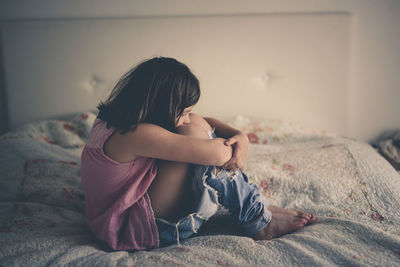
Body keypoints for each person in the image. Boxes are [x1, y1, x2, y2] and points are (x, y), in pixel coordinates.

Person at [80, 56, 316, 251]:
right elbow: (219, 155)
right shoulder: (135, 135)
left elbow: (200, 121)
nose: (186, 118)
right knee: (198, 142)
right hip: (141, 232)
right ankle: (258, 220)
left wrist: (239, 135)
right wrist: (232, 146)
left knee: (195, 127)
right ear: (160, 107)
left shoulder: (115, 121)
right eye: (182, 111)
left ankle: (255, 208)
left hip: (121, 220)